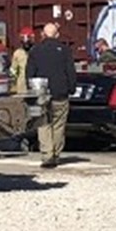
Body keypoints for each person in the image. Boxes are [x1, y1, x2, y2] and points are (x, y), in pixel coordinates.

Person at [26, 23, 76, 168]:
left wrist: (30, 92)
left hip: (41, 93)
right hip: (60, 93)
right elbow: (70, 72)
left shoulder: (35, 51)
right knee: (59, 125)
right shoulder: (65, 51)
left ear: (43, 34)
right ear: (57, 34)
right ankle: (56, 154)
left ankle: (47, 154)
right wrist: (71, 89)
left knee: (43, 124)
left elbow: (29, 73)